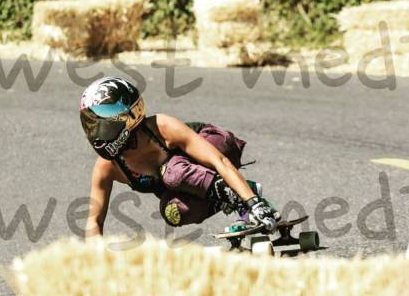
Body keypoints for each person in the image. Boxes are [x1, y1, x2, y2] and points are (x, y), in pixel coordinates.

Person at [80, 76, 280, 238]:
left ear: (130, 115)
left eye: (103, 124)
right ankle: (239, 194)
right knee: (173, 212)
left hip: (218, 148)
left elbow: (219, 161)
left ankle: (244, 199)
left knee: (172, 173)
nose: (97, 133)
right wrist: (97, 262)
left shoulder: (161, 127)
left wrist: (254, 203)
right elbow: (94, 221)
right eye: (91, 125)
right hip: (197, 186)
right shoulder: (107, 166)